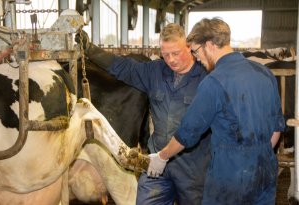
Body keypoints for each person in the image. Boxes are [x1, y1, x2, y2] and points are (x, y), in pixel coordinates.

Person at [147, 18, 285, 205]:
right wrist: (257, 156)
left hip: (229, 177)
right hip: (265, 171)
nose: (197, 58)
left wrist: (162, 156)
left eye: (196, 51)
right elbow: (276, 127)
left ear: (210, 45)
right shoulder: (264, 72)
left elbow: (187, 133)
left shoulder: (213, 82)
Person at [77, 23, 211, 204]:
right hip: (157, 162)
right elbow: (122, 67)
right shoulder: (155, 71)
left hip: (193, 167)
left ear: (188, 46)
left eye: (176, 53)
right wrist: (89, 48)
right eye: (165, 54)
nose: (171, 60)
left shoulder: (207, 77)